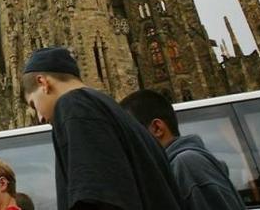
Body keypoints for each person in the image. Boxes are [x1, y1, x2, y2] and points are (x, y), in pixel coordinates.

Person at [21, 47, 182, 210]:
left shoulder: (74, 106)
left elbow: (97, 197)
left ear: (43, 82)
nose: (40, 117)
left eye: (33, 104)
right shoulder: (118, 115)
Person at [120, 89, 246, 209]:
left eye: (130, 133)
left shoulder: (187, 164)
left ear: (157, 128)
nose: (126, 144)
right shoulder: (170, 169)